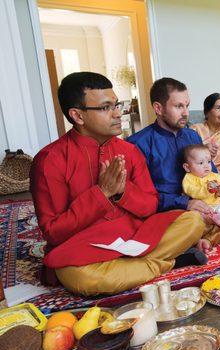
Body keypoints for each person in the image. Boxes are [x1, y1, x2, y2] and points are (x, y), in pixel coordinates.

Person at [30, 72, 210, 296]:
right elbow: (53, 232)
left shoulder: (128, 151)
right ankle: (168, 261)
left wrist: (123, 191)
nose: (118, 113)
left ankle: (136, 267)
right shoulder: (50, 160)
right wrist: (102, 193)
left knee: (192, 221)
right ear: (77, 115)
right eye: (106, 108)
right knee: (82, 278)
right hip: (85, 245)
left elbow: (150, 205)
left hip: (135, 234)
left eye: (116, 105)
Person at [128, 78, 220, 248]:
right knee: (192, 221)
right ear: (158, 108)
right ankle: (210, 232)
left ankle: (207, 239)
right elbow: (142, 198)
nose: (185, 113)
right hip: (177, 211)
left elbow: (210, 171)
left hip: (211, 200)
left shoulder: (191, 136)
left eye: (187, 106)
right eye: (178, 106)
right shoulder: (139, 144)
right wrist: (186, 203)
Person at [182, 144, 220, 233]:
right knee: (198, 217)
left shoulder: (214, 175)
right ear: (187, 167)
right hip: (202, 207)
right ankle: (214, 223)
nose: (207, 166)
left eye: (208, 161)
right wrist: (206, 189)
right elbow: (191, 191)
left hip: (217, 203)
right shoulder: (189, 178)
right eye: (201, 163)